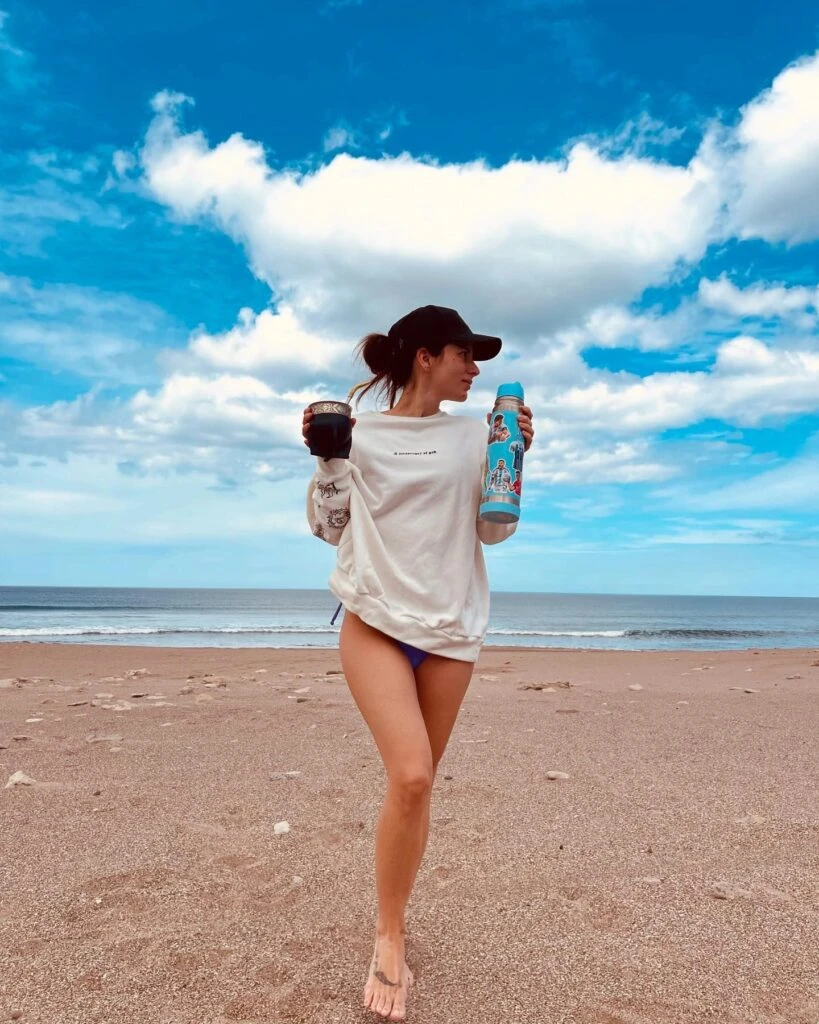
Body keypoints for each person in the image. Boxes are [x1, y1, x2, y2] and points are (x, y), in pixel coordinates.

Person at [302, 305, 534, 1021]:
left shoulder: (474, 437)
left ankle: (394, 915)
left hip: (450, 629)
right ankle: (389, 935)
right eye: (466, 354)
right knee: (410, 773)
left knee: (417, 787)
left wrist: (513, 460)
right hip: (374, 619)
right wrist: (329, 460)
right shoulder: (361, 433)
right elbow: (328, 528)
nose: (476, 369)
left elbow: (493, 533)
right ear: (425, 356)